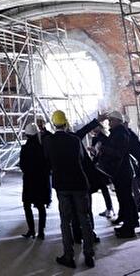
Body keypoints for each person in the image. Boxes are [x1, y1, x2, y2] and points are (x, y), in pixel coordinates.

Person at [43, 110, 95, 269]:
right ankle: (89, 254)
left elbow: (47, 162)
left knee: (66, 221)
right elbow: (82, 158)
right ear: (65, 124)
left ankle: (68, 255)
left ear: (53, 124)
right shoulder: (75, 140)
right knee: (84, 219)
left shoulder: (48, 141)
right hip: (79, 183)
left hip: (62, 185)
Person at [18, 123, 50, 240]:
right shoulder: (43, 147)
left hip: (29, 181)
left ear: (26, 135)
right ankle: (41, 231)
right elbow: (48, 164)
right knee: (41, 207)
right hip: (41, 181)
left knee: (27, 205)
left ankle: (31, 230)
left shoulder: (25, 148)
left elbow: (22, 166)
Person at [89, 124, 115, 219]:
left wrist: (96, 151)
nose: (93, 129)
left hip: (102, 167)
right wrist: (92, 151)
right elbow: (94, 153)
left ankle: (110, 208)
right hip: (97, 166)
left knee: (103, 188)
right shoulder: (95, 139)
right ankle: (109, 208)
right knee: (103, 188)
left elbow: (104, 151)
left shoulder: (104, 138)